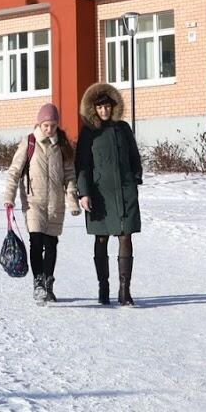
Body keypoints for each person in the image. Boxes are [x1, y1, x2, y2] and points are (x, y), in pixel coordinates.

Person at [2, 102, 79, 305]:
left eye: (53, 125)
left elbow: (70, 175)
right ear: (39, 123)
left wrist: (72, 201)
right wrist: (8, 198)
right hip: (33, 202)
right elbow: (14, 173)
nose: (49, 129)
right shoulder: (29, 143)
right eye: (45, 125)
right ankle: (38, 283)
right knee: (36, 242)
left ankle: (48, 282)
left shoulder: (62, 145)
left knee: (51, 244)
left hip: (55, 203)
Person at [75, 82, 142, 306]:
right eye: (100, 107)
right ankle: (104, 287)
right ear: (93, 109)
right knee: (101, 238)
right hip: (100, 195)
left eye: (107, 107)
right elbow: (81, 166)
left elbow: (134, 157)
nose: (104, 111)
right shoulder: (88, 134)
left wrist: (135, 177)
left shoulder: (123, 129)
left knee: (126, 236)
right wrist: (83, 193)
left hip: (125, 193)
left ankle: (125, 290)